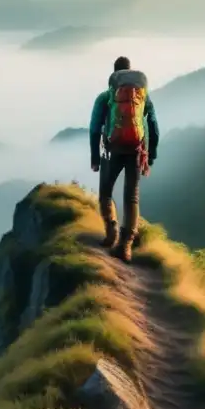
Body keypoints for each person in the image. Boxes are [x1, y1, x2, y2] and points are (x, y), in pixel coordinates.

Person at [89, 56, 160, 263]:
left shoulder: (105, 98)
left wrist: (95, 157)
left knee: (106, 192)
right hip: (137, 150)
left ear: (114, 75)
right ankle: (125, 245)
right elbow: (154, 127)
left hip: (113, 150)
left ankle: (111, 233)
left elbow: (94, 129)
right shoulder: (142, 98)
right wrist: (151, 155)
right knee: (132, 197)